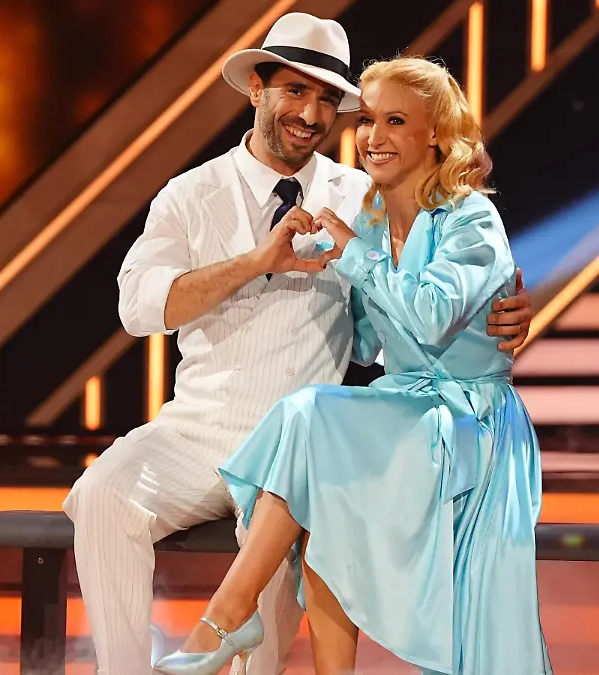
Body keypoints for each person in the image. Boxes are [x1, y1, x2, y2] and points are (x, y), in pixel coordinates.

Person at [62, 15, 535, 675]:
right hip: (195, 433)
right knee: (102, 494)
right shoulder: (191, 195)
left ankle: (229, 634)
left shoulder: (362, 193)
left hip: (307, 452)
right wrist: (257, 261)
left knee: (290, 561)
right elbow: (139, 306)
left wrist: (504, 312)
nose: (312, 114)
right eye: (294, 91)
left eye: (328, 101)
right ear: (256, 88)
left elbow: (450, 211)